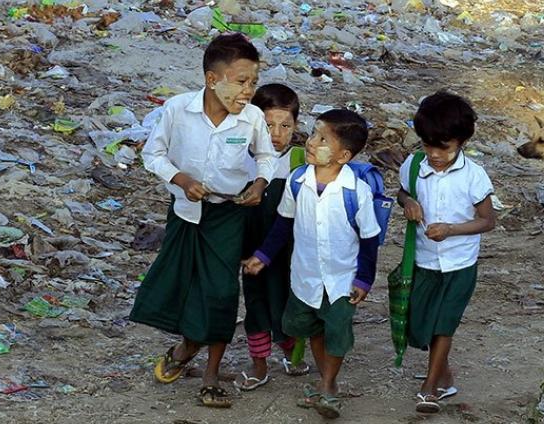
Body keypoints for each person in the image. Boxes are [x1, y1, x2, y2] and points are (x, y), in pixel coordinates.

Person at [129, 33, 277, 408]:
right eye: (241, 81)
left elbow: (266, 157)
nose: (248, 90)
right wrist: (182, 180)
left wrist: (260, 184)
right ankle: (183, 349)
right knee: (179, 287)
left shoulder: (252, 118)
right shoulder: (178, 109)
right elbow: (154, 154)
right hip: (185, 211)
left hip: (229, 214)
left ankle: (211, 375)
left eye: (254, 81)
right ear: (213, 79)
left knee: (221, 293)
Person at [242, 109, 380, 418]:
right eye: (314, 134)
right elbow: (283, 224)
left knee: (337, 332)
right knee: (306, 326)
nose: (312, 142)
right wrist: (262, 257)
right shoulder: (297, 180)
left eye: (322, 139)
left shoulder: (356, 193)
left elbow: (370, 240)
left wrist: (364, 279)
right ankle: (325, 382)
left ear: (343, 156)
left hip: (342, 280)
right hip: (304, 277)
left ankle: (328, 385)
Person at [396, 91, 496, 413]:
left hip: (459, 264)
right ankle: (445, 375)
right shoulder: (413, 166)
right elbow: (402, 192)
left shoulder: (473, 176)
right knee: (421, 324)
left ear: (462, 142)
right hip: (423, 260)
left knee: (444, 324)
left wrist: (451, 229)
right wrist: (408, 202)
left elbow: (487, 221)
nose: (435, 154)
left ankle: (429, 387)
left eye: (445, 147)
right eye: (428, 146)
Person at [235, 83, 308, 391]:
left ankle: (292, 350)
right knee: (256, 304)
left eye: (285, 125)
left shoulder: (300, 162)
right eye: (268, 126)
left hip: (287, 251)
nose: (277, 134)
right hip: (249, 250)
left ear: (296, 125)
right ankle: (259, 364)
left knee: (287, 302)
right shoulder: (241, 159)